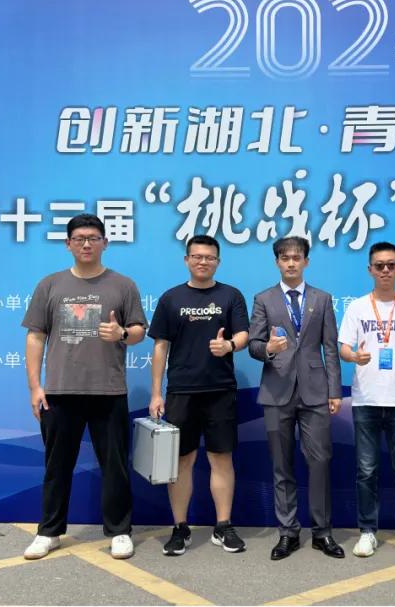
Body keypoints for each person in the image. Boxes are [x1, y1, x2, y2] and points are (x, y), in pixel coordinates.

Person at [21, 213, 147, 561]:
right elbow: (35, 337)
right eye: (79, 238)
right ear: (68, 244)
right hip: (60, 391)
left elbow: (139, 331)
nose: (86, 244)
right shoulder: (50, 285)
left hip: (108, 391)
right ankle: (49, 532)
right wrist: (35, 386)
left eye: (93, 238)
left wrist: (122, 333)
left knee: (115, 466)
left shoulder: (123, 285)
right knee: (56, 466)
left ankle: (119, 532)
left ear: (105, 242)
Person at [148, 235, 250, 555]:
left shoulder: (231, 295)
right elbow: (160, 346)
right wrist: (156, 393)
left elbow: (244, 335)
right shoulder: (171, 298)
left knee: (221, 458)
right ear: (187, 260)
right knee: (181, 462)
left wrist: (229, 345)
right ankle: (180, 528)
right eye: (197, 256)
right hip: (181, 391)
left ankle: (223, 526)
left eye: (209, 257)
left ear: (218, 261)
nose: (203, 261)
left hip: (220, 390)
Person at [247, 236, 344, 560]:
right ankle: (287, 532)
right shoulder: (264, 299)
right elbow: (254, 345)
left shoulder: (322, 298)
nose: (291, 263)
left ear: (306, 262)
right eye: (285, 258)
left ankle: (322, 532)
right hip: (277, 391)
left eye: (296, 257)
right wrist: (267, 349)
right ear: (277, 262)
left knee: (320, 462)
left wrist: (334, 391)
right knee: (281, 465)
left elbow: (330, 348)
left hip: (316, 392)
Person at [337, 241, 395, 559]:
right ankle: (367, 532)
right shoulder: (357, 307)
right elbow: (343, 348)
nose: (385, 270)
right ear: (370, 270)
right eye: (379, 266)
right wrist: (354, 357)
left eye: (391, 265)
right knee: (366, 471)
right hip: (366, 398)